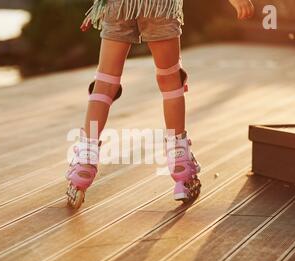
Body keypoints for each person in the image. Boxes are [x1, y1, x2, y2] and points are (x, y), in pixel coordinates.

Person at [66, 0, 255, 208]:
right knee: (170, 82)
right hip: (159, 6)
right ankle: (181, 168)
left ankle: (84, 161)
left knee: (104, 84)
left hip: (118, 5)